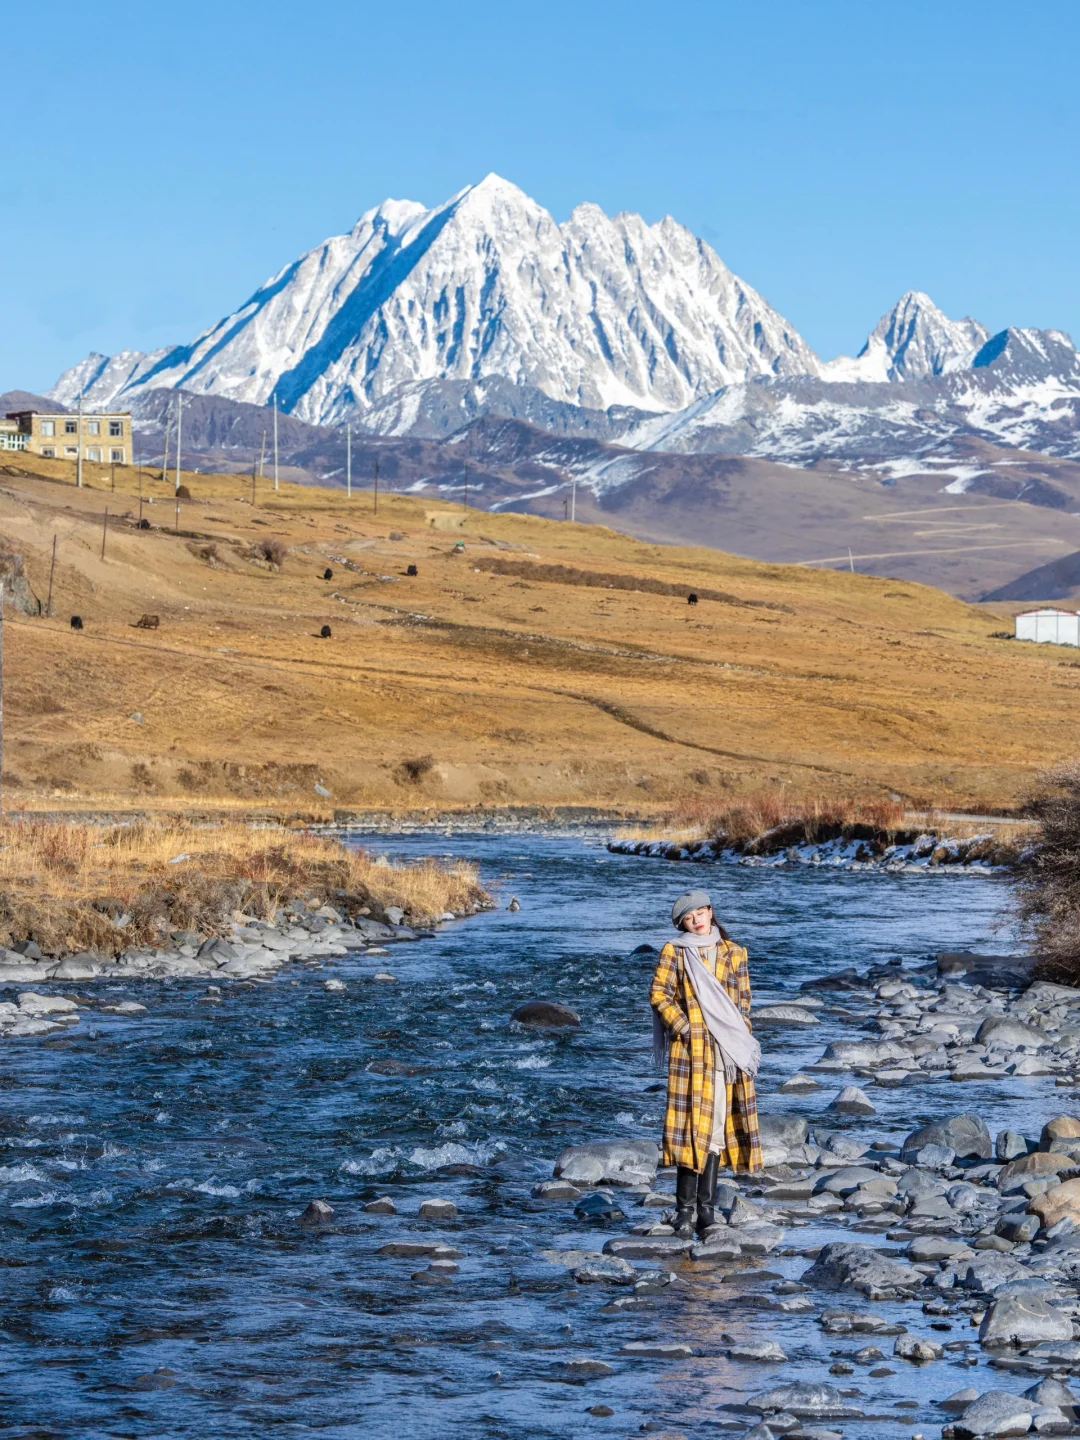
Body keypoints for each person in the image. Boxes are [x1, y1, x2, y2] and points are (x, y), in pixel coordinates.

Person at [650, 888, 762, 1239]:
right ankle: (684, 1211)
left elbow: (744, 1003)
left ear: (711, 912)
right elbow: (659, 994)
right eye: (689, 916)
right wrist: (684, 1028)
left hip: (726, 1055)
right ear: (682, 923)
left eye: (701, 912)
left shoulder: (735, 952)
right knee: (689, 1130)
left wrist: (740, 1043)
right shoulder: (675, 951)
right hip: (690, 1055)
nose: (697, 920)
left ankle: (706, 1211)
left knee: (715, 1129)